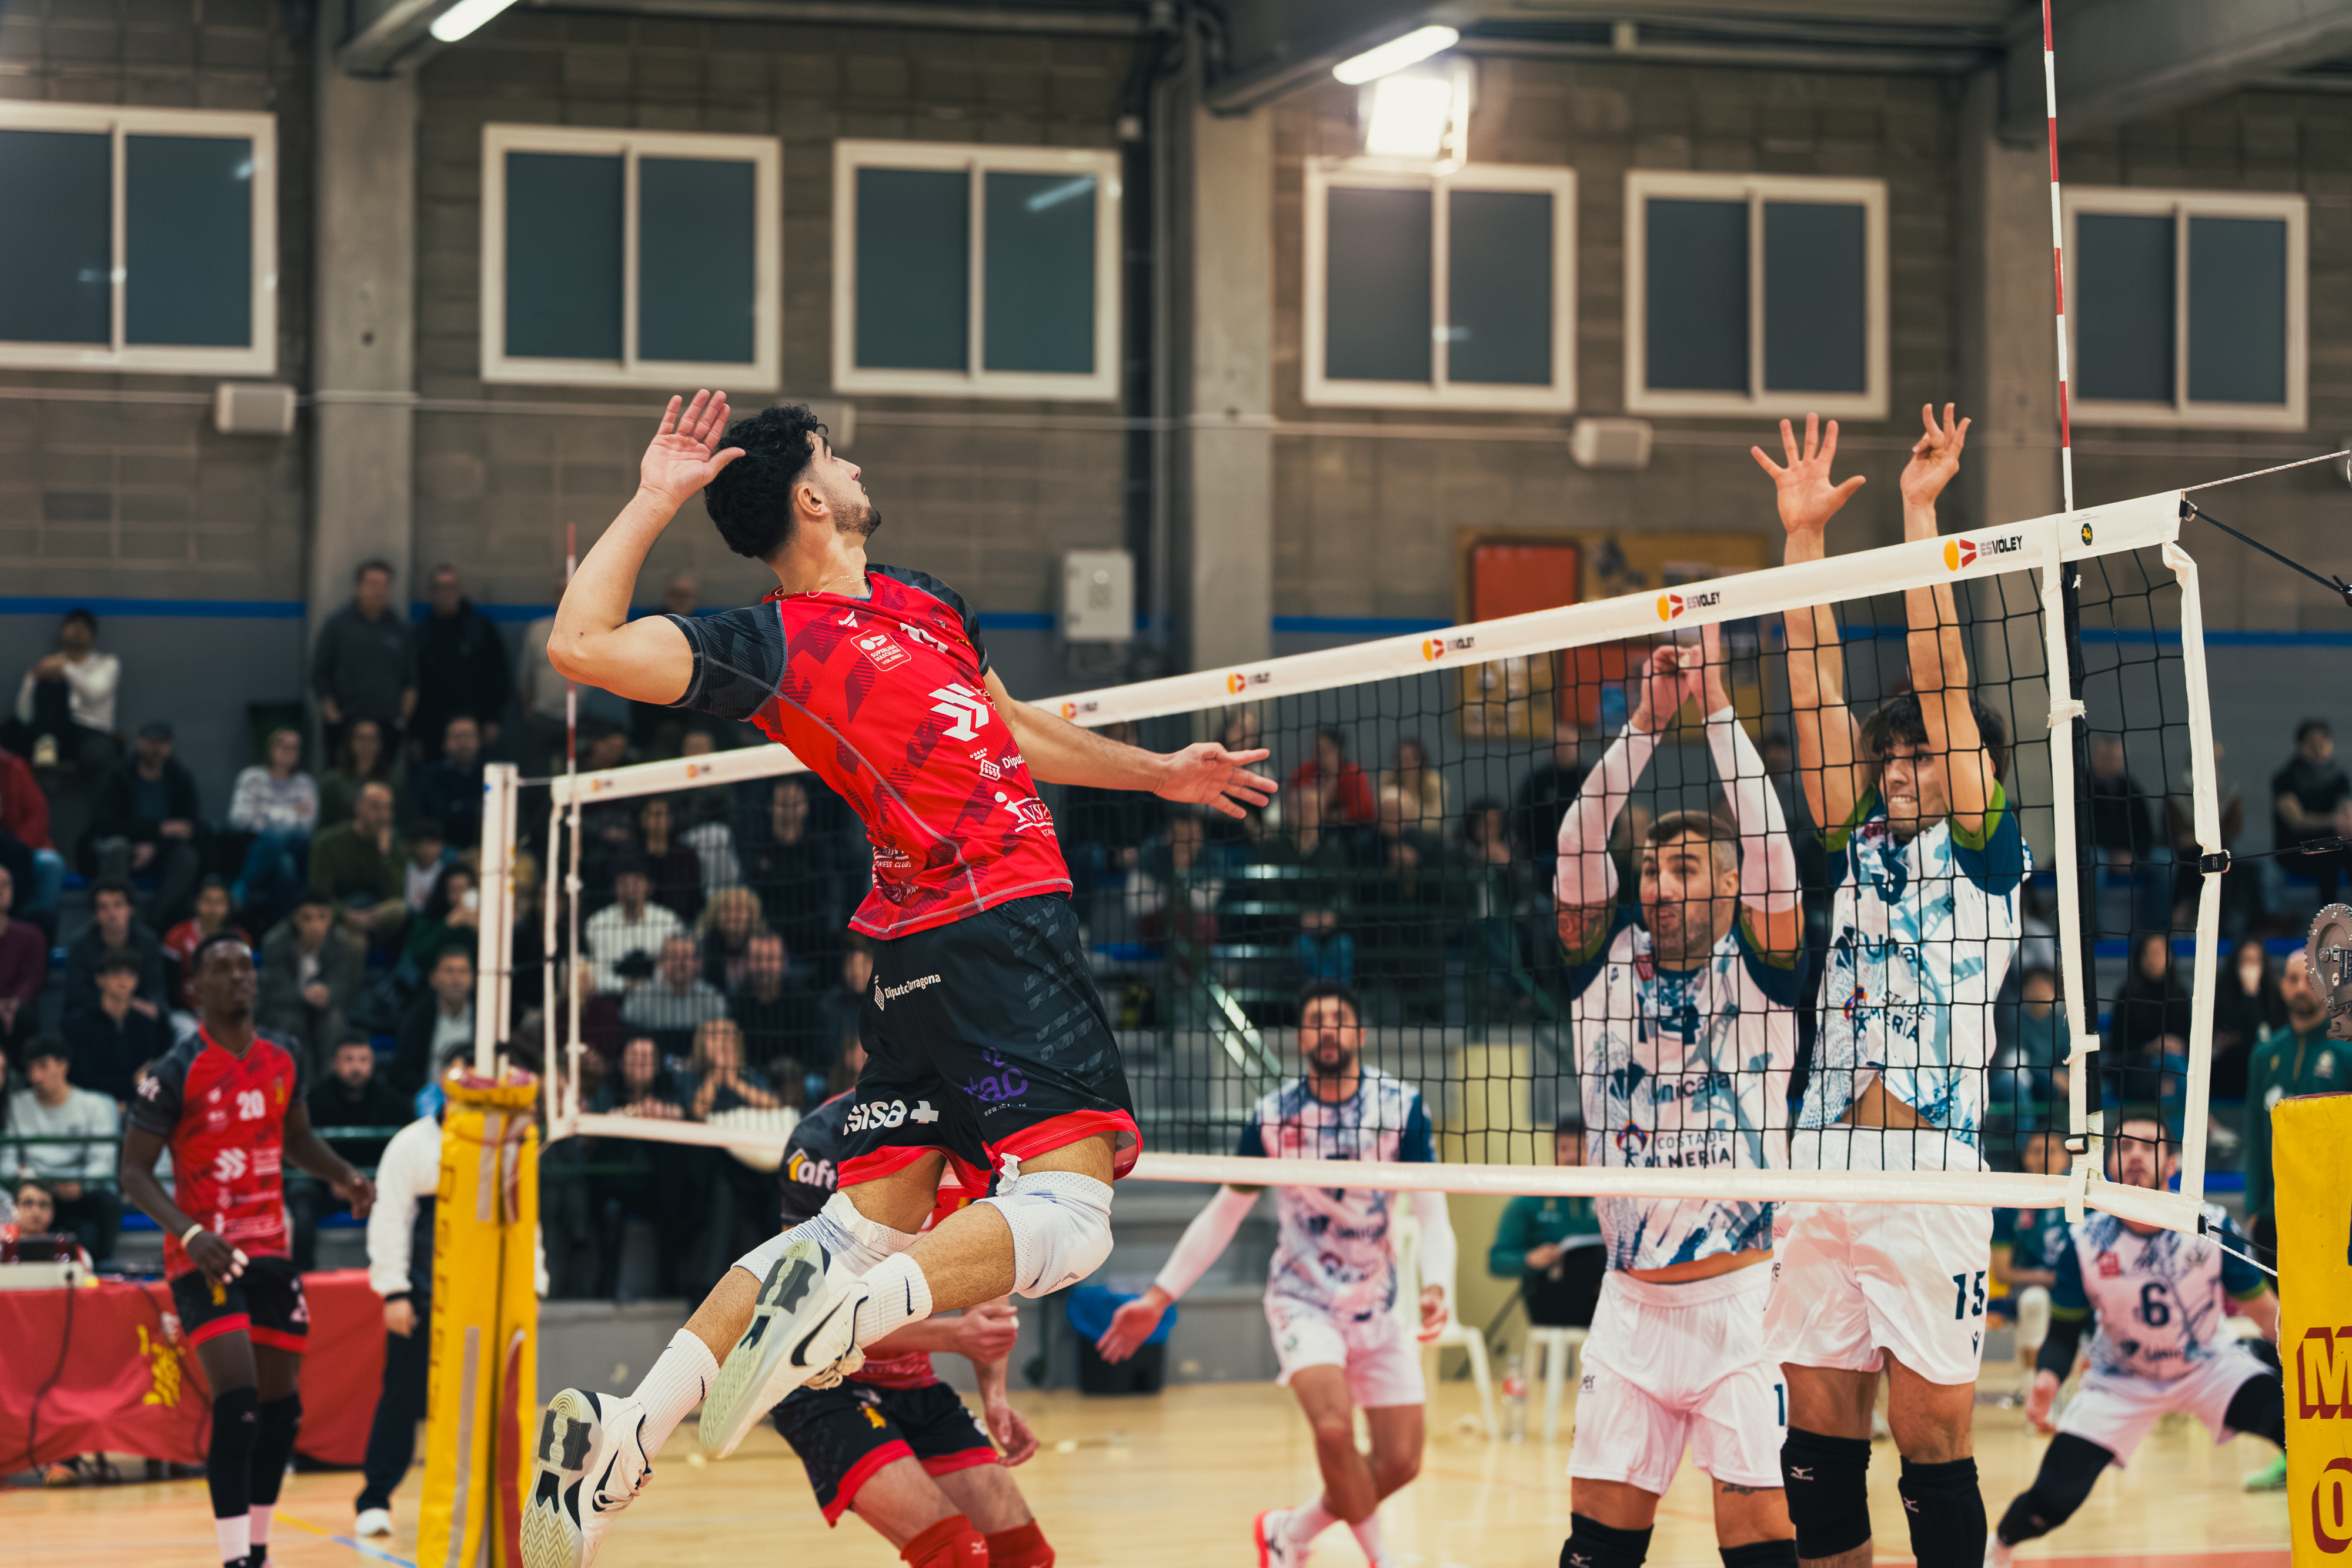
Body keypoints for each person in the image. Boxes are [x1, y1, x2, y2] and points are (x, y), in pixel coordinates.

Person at [522, 393, 1272, 1568]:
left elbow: (1009, 727)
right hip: (995, 923)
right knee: (1072, 1217)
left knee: (853, 1227)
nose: (858, 464)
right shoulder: (770, 644)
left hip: (919, 954)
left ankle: (625, 1436)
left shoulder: (928, 600)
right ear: (810, 499)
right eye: (837, 456)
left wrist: (1158, 774)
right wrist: (657, 498)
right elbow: (580, 644)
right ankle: (840, 1321)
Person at [1760, 405, 2023, 1568]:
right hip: (1821, 1162)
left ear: (1973, 769)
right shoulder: (1852, 839)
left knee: (1930, 1447)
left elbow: (1940, 672)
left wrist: (1921, 514)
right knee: (1816, 1453)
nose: (1901, 764)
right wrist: (1803, 539)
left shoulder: (1987, 851)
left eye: (1923, 751)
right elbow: (1810, 680)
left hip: (1927, 1173)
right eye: (1893, 753)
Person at [1551, 625, 1803, 1568]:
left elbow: (1772, 846)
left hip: (1746, 1308)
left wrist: (1719, 708)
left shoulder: (1765, 969)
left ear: (1731, 883)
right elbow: (1579, 841)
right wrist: (1648, 725)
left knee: (1761, 1542)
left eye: (1686, 867)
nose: (1660, 885)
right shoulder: (1602, 967)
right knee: (1596, 1546)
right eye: (1653, 869)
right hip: (1629, 1306)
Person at [1094, 984, 1447, 1568]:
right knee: (1332, 1431)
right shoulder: (1273, 1117)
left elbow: (1434, 1211)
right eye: (1315, 1020)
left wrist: (1436, 1284)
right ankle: (1382, 1559)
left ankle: (1288, 1530)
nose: (1327, 1028)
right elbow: (1224, 1213)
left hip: (1378, 1302)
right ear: (1300, 1037)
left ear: (1360, 1033)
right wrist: (1158, 1297)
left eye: (1338, 1018)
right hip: (1302, 1299)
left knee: (1402, 1462)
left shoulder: (1401, 1108)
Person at [121, 932, 375, 1568]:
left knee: (281, 1413)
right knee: (238, 1404)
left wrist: (345, 1175)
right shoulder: (175, 1071)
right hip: (204, 1256)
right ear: (197, 987)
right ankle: (235, 1558)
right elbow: (133, 1173)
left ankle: (258, 1552)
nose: (239, 977)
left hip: (271, 1249)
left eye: (246, 967)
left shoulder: (284, 1056)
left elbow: (298, 1140)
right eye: (223, 969)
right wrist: (191, 1233)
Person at [770, 1082, 1050, 1568]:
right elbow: (811, 1315)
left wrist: (995, 1396)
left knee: (1023, 1556)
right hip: (821, 1382)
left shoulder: (976, 1132)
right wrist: (954, 1338)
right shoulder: (822, 1139)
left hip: (912, 1378)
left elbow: (986, 1274)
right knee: (956, 1554)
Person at [1984, 1114, 2282, 1566]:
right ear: (2109, 1161)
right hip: (2121, 1378)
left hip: (2208, 1365)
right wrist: (2046, 1378)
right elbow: (2063, 1333)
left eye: (2149, 1145)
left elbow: (2267, 1315)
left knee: (2296, 1426)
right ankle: (1998, 1548)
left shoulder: (2210, 1226)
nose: (2136, 1154)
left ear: (2174, 1162)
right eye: (2125, 1146)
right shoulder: (2085, 1242)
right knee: (2051, 1499)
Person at [356, 1041, 547, 1539]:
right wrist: (394, 1290)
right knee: (402, 1398)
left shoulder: (511, 1146)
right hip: (426, 1299)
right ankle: (375, 1496)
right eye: (463, 1073)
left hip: (494, 1302)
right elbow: (389, 1218)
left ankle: (498, 1503)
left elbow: (528, 1224)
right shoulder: (412, 1145)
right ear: (444, 1081)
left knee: (500, 1401)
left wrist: (534, 1285)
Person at [2242, 947, 2338, 1274]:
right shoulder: (2264, 1054)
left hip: (2336, 1212)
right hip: (2275, 1214)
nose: (2301, 988)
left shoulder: (2346, 1052)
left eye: (2311, 980)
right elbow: (2255, 1135)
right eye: (2293, 979)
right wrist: (2254, 1207)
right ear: (2283, 986)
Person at [3, 1037, 122, 1263]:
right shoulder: (16, 1105)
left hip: (78, 1191)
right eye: (30, 1069)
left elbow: (104, 1161)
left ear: (63, 1065)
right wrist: (29, 1181)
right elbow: (7, 1160)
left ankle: (102, 1266)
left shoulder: (96, 1105)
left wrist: (81, 1184)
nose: (35, 1077)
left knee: (107, 1203)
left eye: (43, 1066)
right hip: (33, 1190)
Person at [86, 720, 205, 925]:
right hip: (123, 847)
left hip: (163, 851)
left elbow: (189, 827)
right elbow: (106, 824)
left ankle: (151, 923)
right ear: (138, 743)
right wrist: (160, 829)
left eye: (162, 743)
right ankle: (116, 920)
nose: (156, 749)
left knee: (187, 857)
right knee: (116, 847)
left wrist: (156, 847)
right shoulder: (118, 776)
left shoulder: (180, 778)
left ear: (170, 746)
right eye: (151, 742)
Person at [1486, 1121, 1603, 1330]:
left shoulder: (1611, 1199)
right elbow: (1497, 1262)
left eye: (1581, 1148)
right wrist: (1530, 1260)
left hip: (1606, 1301)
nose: (1571, 1157)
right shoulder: (1528, 1202)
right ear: (1553, 1151)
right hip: (1550, 1303)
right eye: (1563, 1149)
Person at [312, 559, 417, 759]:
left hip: (387, 724)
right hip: (345, 722)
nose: (379, 591)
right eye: (373, 584)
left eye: (385, 585)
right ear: (359, 587)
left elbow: (411, 680)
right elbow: (319, 674)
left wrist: (402, 719)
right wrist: (332, 713)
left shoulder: (401, 629)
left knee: (382, 777)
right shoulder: (338, 625)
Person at [412, 564, 510, 763]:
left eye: (451, 587)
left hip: (476, 724)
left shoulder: (481, 629)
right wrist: (415, 734)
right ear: (431, 592)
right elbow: (414, 684)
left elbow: (498, 675)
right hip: (433, 727)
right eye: (440, 588)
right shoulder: (422, 634)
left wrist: (493, 718)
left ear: (459, 590)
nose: (446, 593)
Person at [258, 892, 366, 1071]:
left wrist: (328, 993)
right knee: (290, 1021)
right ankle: (285, 1077)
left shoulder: (341, 941)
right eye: (307, 918)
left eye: (322, 917)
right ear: (295, 919)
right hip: (287, 1007)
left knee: (334, 1020)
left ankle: (327, 1079)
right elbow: (276, 990)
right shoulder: (275, 941)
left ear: (331, 918)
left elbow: (344, 986)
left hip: (324, 1007)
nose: (315, 925)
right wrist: (304, 994)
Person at [4, 606, 118, 773]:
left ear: (93, 636)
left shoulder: (107, 663)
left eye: (84, 627)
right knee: (9, 732)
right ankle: (45, 745)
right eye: (73, 626)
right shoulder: (47, 665)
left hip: (89, 732)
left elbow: (94, 693)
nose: (78, 631)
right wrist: (33, 678)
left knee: (99, 751)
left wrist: (65, 669)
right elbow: (25, 716)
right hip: (52, 731)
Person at [228, 728, 319, 924]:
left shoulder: (305, 783)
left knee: (280, 836)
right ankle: (284, 924)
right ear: (270, 748)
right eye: (282, 745)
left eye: (294, 748)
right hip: (258, 845)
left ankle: (243, 884)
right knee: (285, 863)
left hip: (297, 846)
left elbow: (306, 826)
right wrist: (290, 812)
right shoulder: (252, 777)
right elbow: (239, 819)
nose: (288, 752)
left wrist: (266, 814)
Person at [310, 780, 409, 952]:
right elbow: (319, 895)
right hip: (341, 915)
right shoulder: (328, 842)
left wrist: (384, 854)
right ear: (358, 807)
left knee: (400, 909)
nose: (384, 816)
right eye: (376, 807)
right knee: (356, 943)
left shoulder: (394, 847)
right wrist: (347, 915)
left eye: (388, 808)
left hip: (378, 916)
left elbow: (397, 896)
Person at [65, 950, 169, 1108]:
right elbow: (79, 1076)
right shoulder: (79, 1023)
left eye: (130, 975)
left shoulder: (145, 1025)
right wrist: (128, 1086)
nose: (124, 981)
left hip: (138, 1104)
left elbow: (150, 1072)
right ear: (100, 979)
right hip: (92, 1104)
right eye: (116, 974)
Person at [62, 878, 166, 1028]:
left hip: (140, 1010)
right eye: (103, 907)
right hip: (94, 1010)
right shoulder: (80, 944)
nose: (112, 913)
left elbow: (155, 989)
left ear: (131, 909)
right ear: (95, 914)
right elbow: (76, 993)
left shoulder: (148, 941)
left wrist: (146, 1005)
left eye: (118, 905)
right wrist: (124, 1003)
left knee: (160, 1019)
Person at [2272, 717, 2351, 905]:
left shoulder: (2338, 778)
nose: (2318, 748)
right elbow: (2297, 821)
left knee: (2339, 852)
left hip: (2332, 845)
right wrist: (2335, 820)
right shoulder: (2285, 779)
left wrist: (2344, 820)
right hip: (2296, 850)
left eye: (2323, 742)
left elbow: (2345, 811)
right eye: (2312, 743)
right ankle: (2329, 917)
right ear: (2299, 746)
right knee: (2330, 857)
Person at [730, 931, 820, 1090]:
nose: (764, 967)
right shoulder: (738, 1002)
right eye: (758, 959)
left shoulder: (803, 999)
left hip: (798, 1081)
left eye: (771, 959)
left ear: (784, 963)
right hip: (751, 1082)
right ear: (747, 963)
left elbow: (815, 1052)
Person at [621, 934, 731, 1058]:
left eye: (686, 957)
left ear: (697, 963)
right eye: (674, 957)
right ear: (661, 963)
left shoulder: (711, 999)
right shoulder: (642, 999)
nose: (680, 963)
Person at [584, 861, 686, 994]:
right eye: (624, 883)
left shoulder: (669, 922)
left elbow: (673, 971)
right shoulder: (598, 923)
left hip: (658, 996)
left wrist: (646, 986)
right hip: (611, 997)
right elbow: (598, 974)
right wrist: (625, 985)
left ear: (649, 886)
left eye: (637, 882)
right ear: (615, 887)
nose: (630, 888)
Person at [308, 1037, 409, 1169]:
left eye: (363, 1060)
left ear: (373, 1064)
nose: (356, 1068)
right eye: (349, 1059)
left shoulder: (391, 1102)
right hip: (326, 1174)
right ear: (334, 1064)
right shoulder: (314, 1101)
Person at [395, 945, 476, 1097]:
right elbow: (403, 1070)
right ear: (433, 978)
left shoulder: (483, 1016)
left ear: (474, 978)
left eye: (463, 971)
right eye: (449, 971)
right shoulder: (418, 1015)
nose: (456, 979)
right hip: (428, 1097)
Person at [2210, 937, 2284, 1101]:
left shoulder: (2273, 995)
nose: (2250, 968)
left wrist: (2252, 994)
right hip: (2228, 1071)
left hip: (2264, 1071)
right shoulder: (2222, 992)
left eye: (2255, 961)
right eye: (2246, 961)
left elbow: (2263, 1038)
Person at [0, 743, 68, 921]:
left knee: (51, 864)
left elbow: (38, 815)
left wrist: (17, 849)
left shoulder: (14, 767)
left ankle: (36, 929)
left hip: (18, 850)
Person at [165, 878, 249, 1017]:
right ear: (197, 902)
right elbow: (171, 988)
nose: (213, 908)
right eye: (207, 901)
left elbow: (244, 986)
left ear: (228, 906)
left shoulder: (241, 940)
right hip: (185, 1012)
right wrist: (192, 1012)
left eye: (219, 902)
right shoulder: (177, 936)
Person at [317, 718, 409, 832]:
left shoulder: (393, 781)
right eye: (361, 738)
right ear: (351, 742)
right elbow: (322, 825)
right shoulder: (332, 781)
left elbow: (404, 821)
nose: (366, 744)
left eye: (372, 739)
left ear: (380, 744)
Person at [1510, 726, 1587, 863]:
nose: (1564, 750)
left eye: (1568, 745)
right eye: (1559, 746)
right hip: (1545, 856)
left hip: (1585, 853)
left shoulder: (1590, 778)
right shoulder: (1537, 780)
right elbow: (1523, 816)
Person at [413, 716, 487, 851]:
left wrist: (458, 807)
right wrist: (473, 809)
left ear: (479, 741)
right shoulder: (432, 775)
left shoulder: (489, 775)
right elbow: (439, 815)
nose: (463, 743)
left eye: (468, 736)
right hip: (442, 850)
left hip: (483, 847)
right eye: (457, 737)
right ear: (444, 743)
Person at [1287, 727, 1377, 827]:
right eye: (1315, 751)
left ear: (1340, 752)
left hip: (1351, 830)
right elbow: (1302, 808)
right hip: (1311, 829)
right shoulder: (1304, 771)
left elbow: (1365, 810)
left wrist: (1334, 776)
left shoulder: (1355, 773)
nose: (1317, 757)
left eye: (1324, 752)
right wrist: (1330, 783)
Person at [402, 862, 479, 977]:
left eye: (465, 890)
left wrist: (479, 931)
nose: (461, 897)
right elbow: (419, 956)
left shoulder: (484, 919)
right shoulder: (428, 918)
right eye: (455, 890)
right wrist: (447, 925)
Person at [0, 864, 45, 1054]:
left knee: (24, 1017)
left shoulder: (32, 935)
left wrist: (15, 1003)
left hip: (19, 1009)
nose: (1, 891)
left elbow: (32, 978)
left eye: (6, 885)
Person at [696, 884, 769, 991]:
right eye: (726, 909)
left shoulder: (763, 945)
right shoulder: (704, 947)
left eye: (740, 909)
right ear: (715, 915)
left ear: (751, 914)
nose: (733, 916)